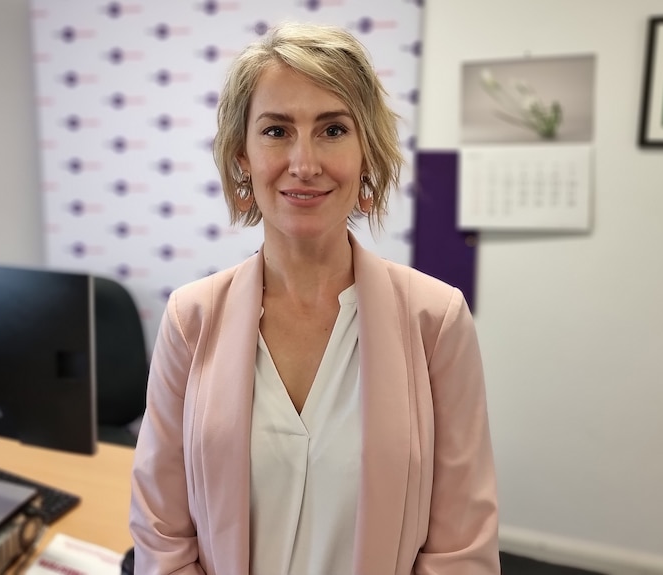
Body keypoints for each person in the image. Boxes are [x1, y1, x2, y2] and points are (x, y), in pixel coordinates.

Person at [129, 21, 499, 575]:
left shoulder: (436, 321)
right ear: (242, 157)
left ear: (367, 152)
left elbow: (461, 552)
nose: (305, 163)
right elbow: (161, 533)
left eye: (332, 130)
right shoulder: (191, 318)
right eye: (277, 131)